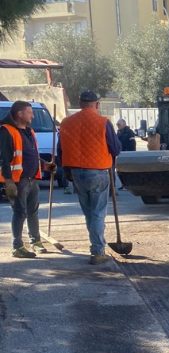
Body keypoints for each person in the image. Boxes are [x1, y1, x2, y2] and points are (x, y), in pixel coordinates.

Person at [57, 91, 121, 264]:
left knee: (89, 213)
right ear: (97, 104)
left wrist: (65, 171)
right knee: (98, 212)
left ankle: (95, 246)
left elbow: (60, 150)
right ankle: (98, 251)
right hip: (98, 171)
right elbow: (116, 148)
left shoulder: (66, 123)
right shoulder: (103, 122)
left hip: (76, 173)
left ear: (80, 103)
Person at [0, 101, 56, 258]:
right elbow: (4, 158)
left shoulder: (29, 131)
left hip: (32, 179)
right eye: (29, 112)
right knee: (20, 213)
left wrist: (45, 165)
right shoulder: (6, 131)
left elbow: (32, 154)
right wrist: (9, 182)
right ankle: (17, 247)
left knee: (33, 212)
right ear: (19, 114)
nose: (32, 115)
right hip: (19, 181)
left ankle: (35, 242)